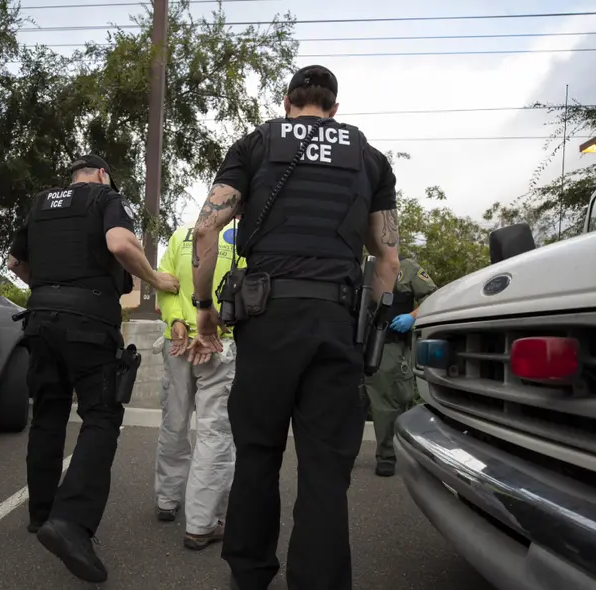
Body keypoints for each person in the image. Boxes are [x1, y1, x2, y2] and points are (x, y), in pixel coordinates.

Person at [187, 65, 401, 590]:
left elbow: (205, 229)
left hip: (267, 319)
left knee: (257, 454)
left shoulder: (256, 144)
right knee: (326, 466)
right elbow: (388, 259)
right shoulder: (371, 159)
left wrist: (204, 307)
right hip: (336, 322)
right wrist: (371, 328)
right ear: (334, 108)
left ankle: (250, 572)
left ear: (287, 103)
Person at [7, 154, 179, 584]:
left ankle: (41, 514)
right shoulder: (105, 197)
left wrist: (47, 290)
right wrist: (156, 280)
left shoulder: (40, 203)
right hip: (88, 324)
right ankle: (71, 521)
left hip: (39, 321)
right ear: (103, 174)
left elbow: (15, 263)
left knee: (48, 415)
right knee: (101, 417)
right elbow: (120, 245)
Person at [154, 219, 244, 551]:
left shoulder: (182, 235)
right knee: (214, 431)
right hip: (219, 344)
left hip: (176, 343)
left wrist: (177, 321)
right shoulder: (244, 238)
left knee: (174, 422)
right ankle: (201, 523)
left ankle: (166, 499)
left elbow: (165, 282)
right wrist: (215, 328)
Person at [363, 253, 437, 477]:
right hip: (358, 343)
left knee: (388, 403)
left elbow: (433, 298)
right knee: (352, 401)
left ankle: (387, 456)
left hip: (389, 345)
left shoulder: (408, 268)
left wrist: (412, 317)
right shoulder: (364, 265)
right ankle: (343, 454)